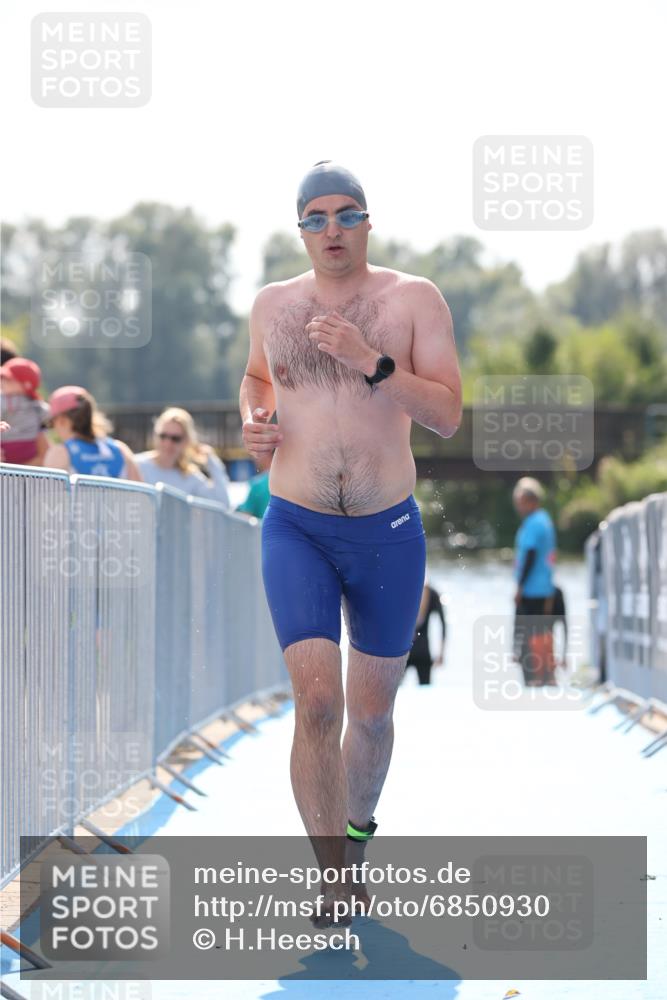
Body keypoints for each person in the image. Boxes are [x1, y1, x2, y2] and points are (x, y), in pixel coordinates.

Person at [240, 161, 462, 926]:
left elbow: (445, 415)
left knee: (370, 713)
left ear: (368, 221)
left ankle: (358, 837)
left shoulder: (412, 299)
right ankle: (332, 879)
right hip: (296, 522)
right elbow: (255, 380)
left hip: (386, 532)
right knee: (317, 703)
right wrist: (254, 420)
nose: (330, 230)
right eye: (315, 218)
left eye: (345, 215)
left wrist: (369, 363)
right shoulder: (272, 304)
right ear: (298, 228)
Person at [134, 407, 231, 507]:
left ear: (186, 441)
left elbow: (222, 503)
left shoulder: (189, 477)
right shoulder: (135, 465)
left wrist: (211, 460)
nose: (168, 443)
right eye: (163, 436)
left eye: (175, 439)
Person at [512, 477, 558, 686]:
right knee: (541, 632)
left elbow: (530, 554)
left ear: (530, 501)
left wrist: (520, 586)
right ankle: (546, 676)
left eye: (520, 502)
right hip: (544, 587)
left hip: (532, 589)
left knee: (530, 635)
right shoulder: (544, 519)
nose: (518, 507)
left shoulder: (534, 523)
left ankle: (536, 678)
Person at [43, 385, 142, 481]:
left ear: (62, 420)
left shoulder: (59, 453)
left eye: (51, 423)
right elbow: (142, 494)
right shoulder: (120, 450)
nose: (53, 428)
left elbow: (48, 495)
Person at [0, 357, 50, 465]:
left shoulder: (35, 406)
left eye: (8, 379)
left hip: (28, 456)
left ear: (26, 384)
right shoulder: (1, 399)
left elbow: (48, 416)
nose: (2, 381)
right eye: (2, 377)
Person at [404, 579, 446, 685]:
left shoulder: (406, 591)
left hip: (404, 648)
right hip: (423, 650)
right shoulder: (433, 593)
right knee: (425, 691)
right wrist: (441, 653)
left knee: (394, 691)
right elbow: (443, 624)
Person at [235, 451, 272, 519]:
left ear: (267, 454)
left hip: (262, 529)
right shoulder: (289, 482)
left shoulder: (257, 484)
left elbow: (245, 516)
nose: (254, 458)